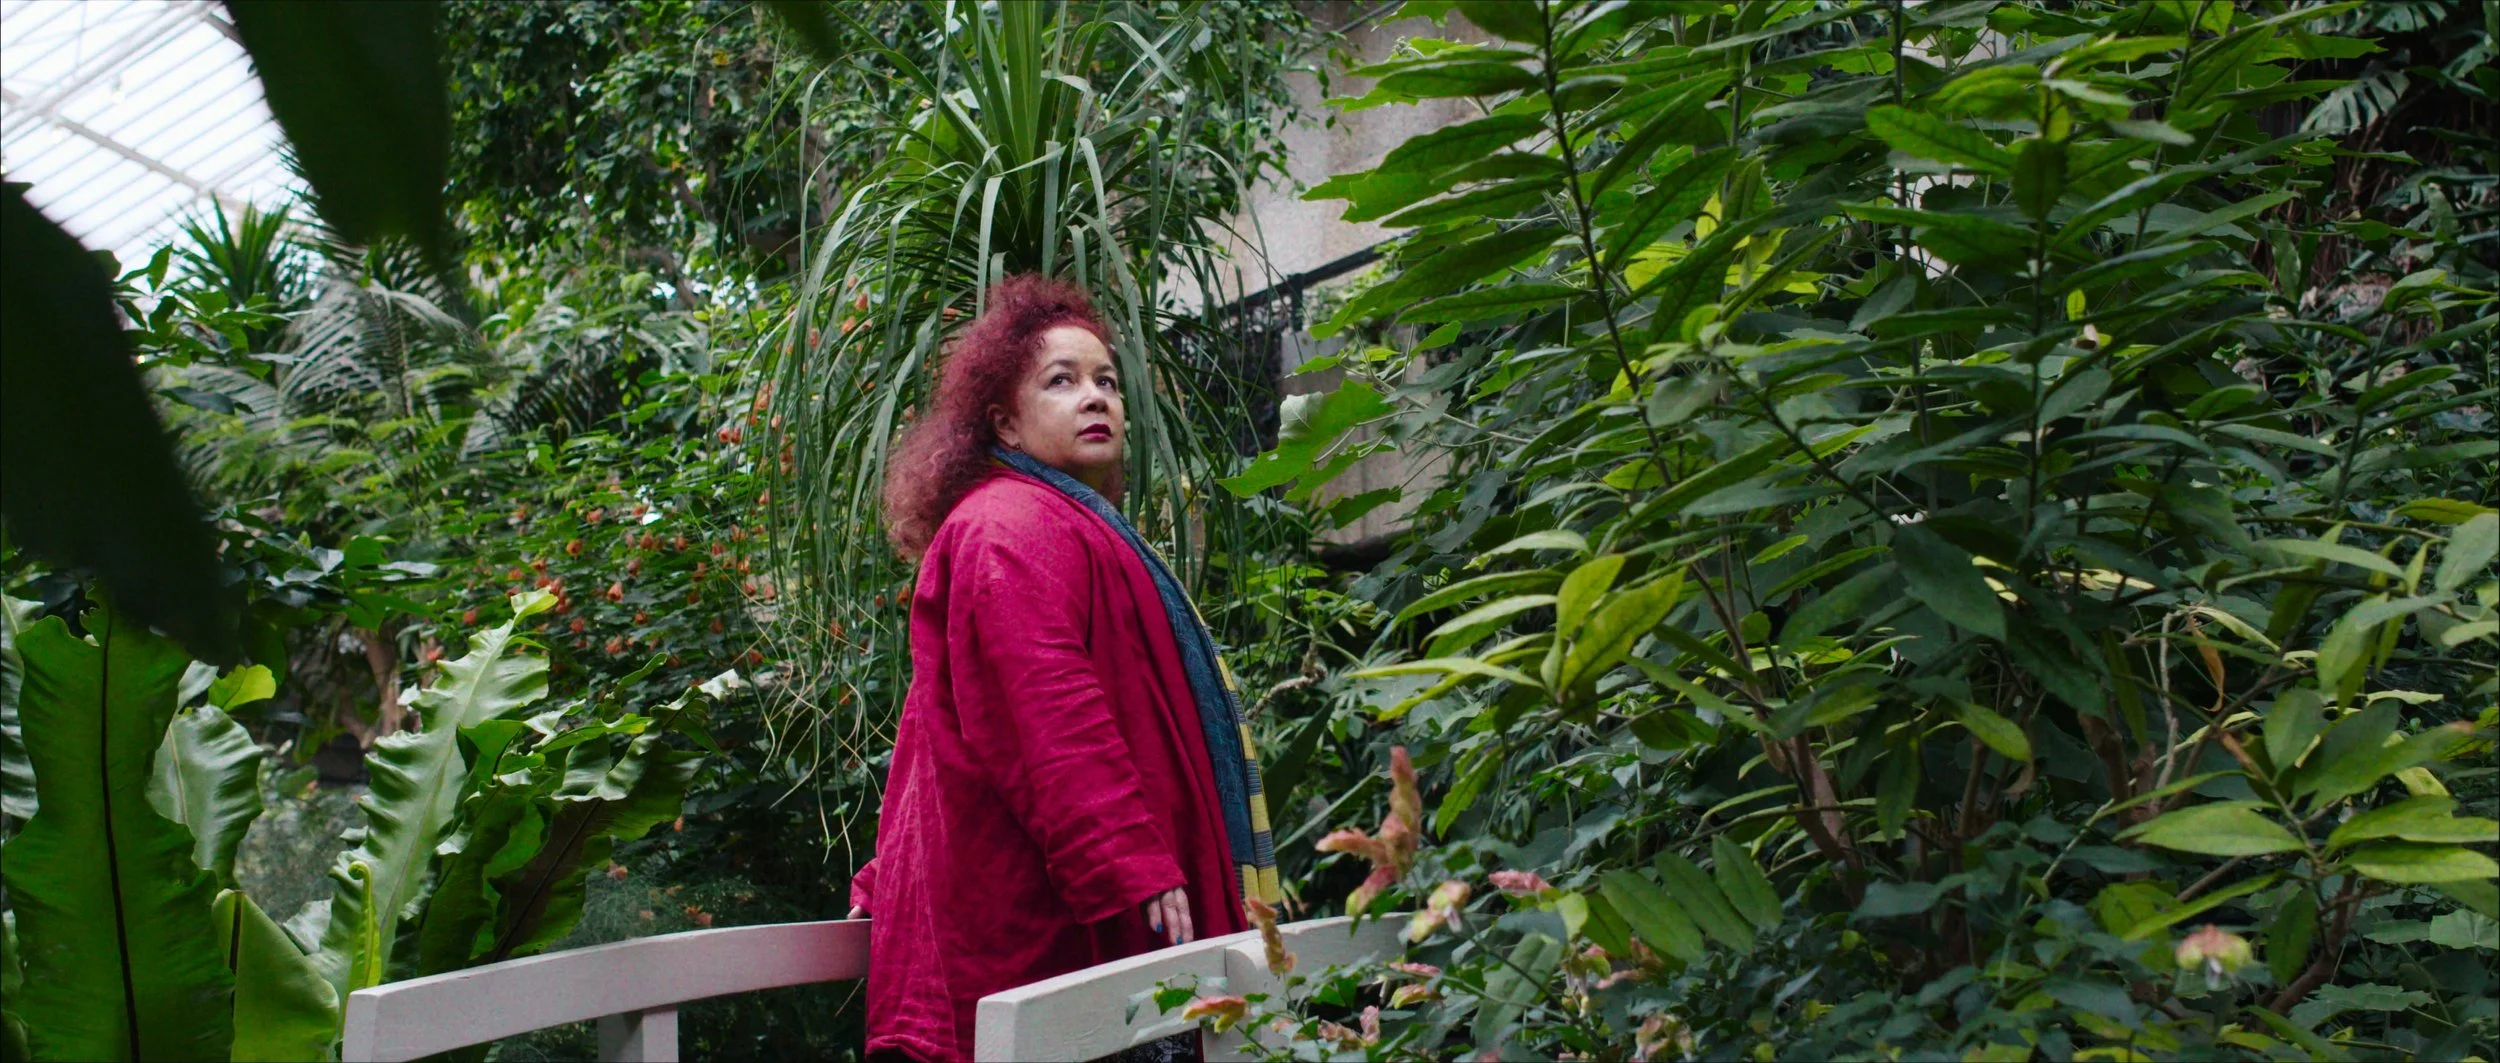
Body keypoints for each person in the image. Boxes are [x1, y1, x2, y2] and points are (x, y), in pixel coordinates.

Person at [847, 274, 1280, 1062]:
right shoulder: (1007, 525)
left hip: (1060, 920)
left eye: (1107, 380)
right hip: (1035, 929)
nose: (1096, 397)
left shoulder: (1061, 524)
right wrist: (1126, 860)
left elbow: (934, 734)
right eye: (1062, 380)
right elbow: (1046, 704)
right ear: (1005, 420)